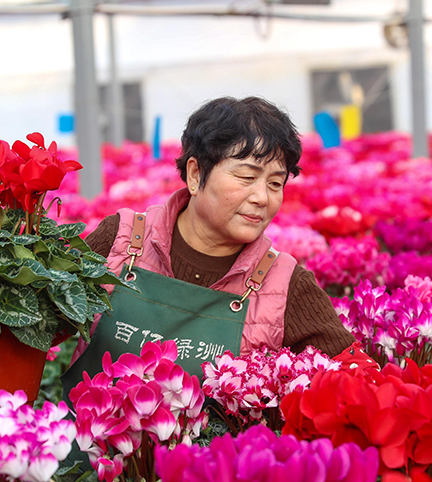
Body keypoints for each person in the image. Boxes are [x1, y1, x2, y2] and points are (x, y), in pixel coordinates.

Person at [62, 96, 353, 391]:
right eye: (246, 176)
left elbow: (354, 379)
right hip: (91, 435)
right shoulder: (121, 240)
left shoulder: (285, 284)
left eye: (275, 184)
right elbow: (36, 328)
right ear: (195, 173)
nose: (262, 198)